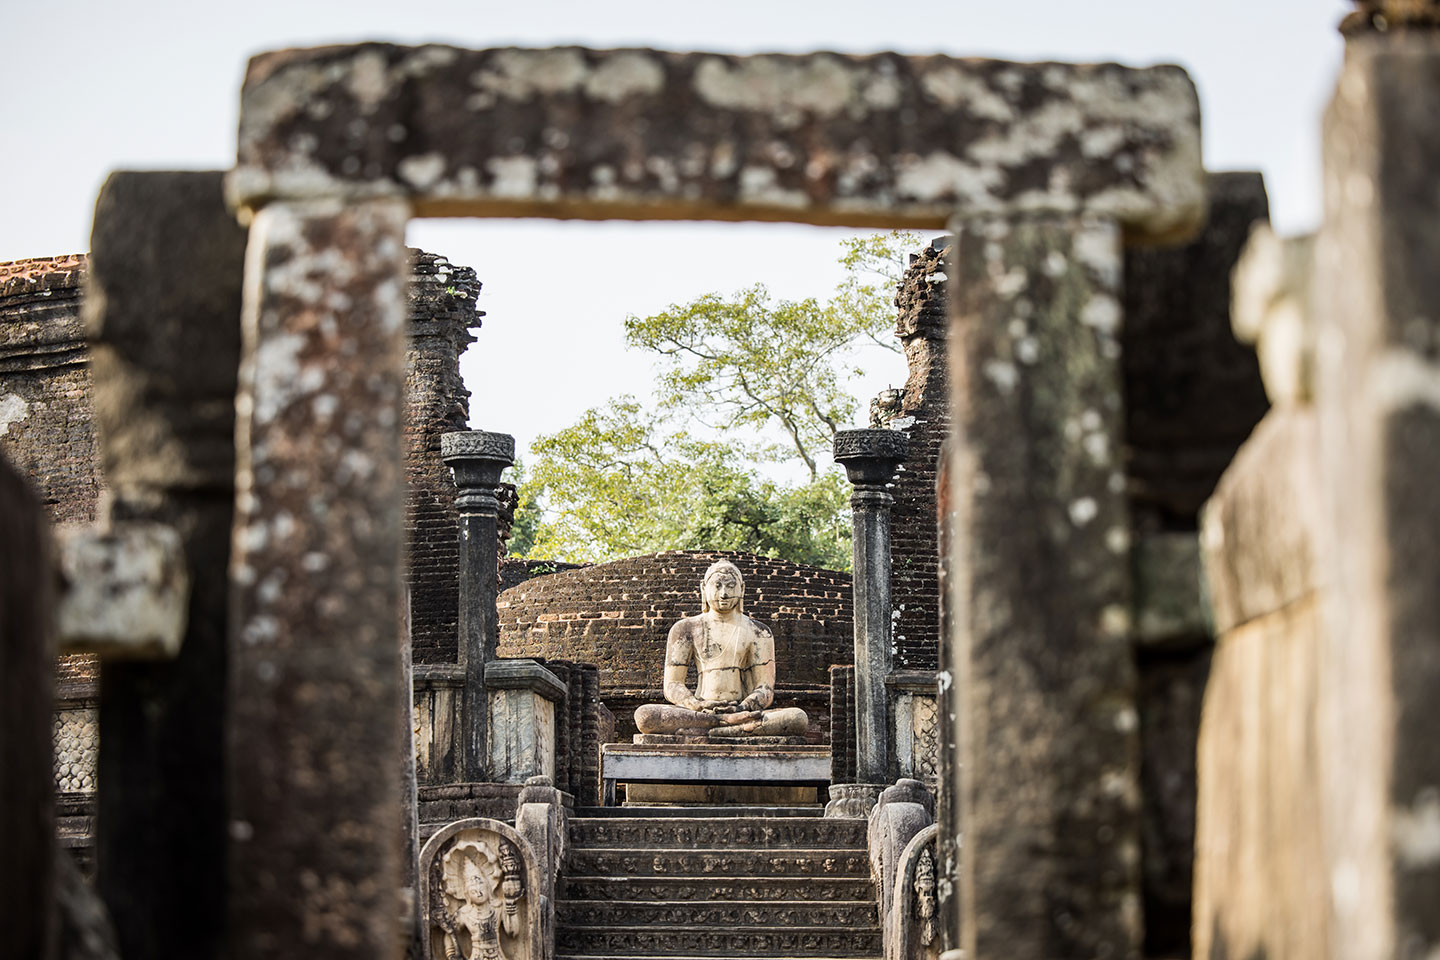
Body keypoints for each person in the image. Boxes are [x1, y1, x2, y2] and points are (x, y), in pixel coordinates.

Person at [633, 559, 808, 737]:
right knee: (645, 716)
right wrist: (696, 705)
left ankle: (726, 726)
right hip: (700, 711)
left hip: (742, 710)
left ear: (742, 589)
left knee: (797, 718)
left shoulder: (759, 631)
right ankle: (726, 727)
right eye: (717, 586)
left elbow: (765, 688)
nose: (724, 594)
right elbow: (672, 685)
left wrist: (742, 707)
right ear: (704, 588)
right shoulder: (685, 628)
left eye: (731, 586)